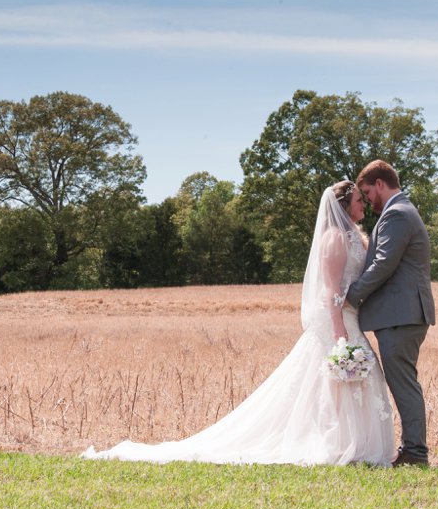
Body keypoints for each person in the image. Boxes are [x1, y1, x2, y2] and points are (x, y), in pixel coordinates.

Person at [82, 180, 394, 466]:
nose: (362, 205)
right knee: (336, 381)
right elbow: (330, 291)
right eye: (357, 200)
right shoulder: (336, 238)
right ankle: (339, 443)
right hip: (338, 323)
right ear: (342, 206)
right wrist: (339, 334)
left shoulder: (355, 237)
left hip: (351, 319)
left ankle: (352, 444)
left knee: (347, 380)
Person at [345, 160, 435, 467]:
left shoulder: (397, 213)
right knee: (403, 380)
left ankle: (415, 452)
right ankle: (413, 448)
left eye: (368, 192)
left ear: (380, 184)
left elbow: (384, 263)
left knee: (403, 382)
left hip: (402, 315)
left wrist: (351, 296)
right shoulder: (400, 212)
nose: (368, 200)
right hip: (402, 314)